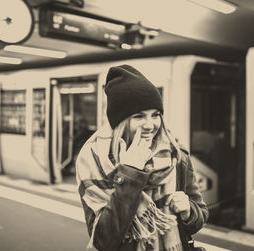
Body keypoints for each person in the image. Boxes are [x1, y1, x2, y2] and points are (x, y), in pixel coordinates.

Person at [76, 65, 208, 251]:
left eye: (155, 115)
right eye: (138, 116)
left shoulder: (176, 155)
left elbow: (198, 218)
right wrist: (131, 172)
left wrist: (188, 212)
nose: (149, 125)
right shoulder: (93, 160)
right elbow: (103, 241)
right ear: (120, 122)